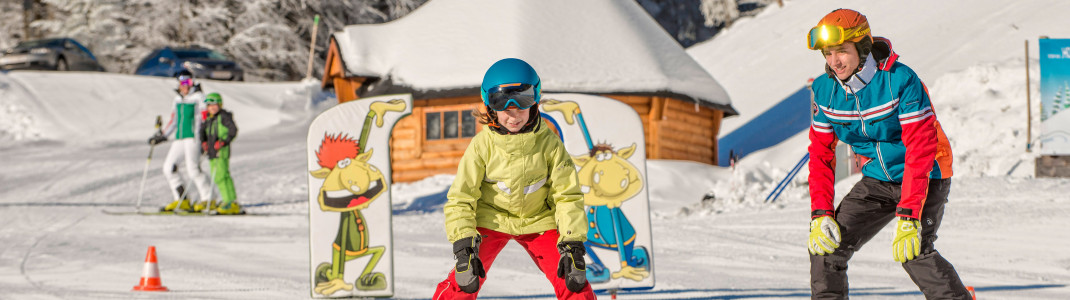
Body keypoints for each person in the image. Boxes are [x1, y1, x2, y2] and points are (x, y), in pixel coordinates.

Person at [805, 9, 971, 299]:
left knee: (914, 251)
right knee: (827, 247)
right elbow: (820, 154)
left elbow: (920, 148)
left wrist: (909, 215)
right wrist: (820, 213)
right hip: (878, 179)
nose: (834, 62)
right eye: (828, 54)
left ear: (862, 46)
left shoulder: (900, 80)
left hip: (926, 173)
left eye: (841, 51)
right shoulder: (824, 90)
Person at [432, 58, 595, 300]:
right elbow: (461, 197)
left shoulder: (549, 144)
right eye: (503, 104)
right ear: (490, 105)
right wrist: (464, 245)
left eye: (523, 102)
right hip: (492, 219)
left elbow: (567, 194)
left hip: (538, 220)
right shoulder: (482, 146)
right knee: (466, 280)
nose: (513, 114)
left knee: (573, 280)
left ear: (535, 100)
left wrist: (572, 242)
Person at [148, 70, 216, 212]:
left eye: (188, 82)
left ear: (193, 82)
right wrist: (163, 135)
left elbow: (206, 118)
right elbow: (174, 120)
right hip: (180, 137)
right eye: (182, 82)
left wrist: (207, 138)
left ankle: (208, 199)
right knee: (169, 167)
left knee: (193, 169)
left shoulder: (199, 97)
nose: (185, 85)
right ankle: (182, 200)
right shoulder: (177, 99)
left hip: (194, 137)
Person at [197, 92, 241, 215]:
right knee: (219, 176)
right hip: (211, 151)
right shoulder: (209, 118)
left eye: (215, 105)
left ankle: (230, 202)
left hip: (221, 150)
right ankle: (231, 201)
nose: (212, 107)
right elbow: (203, 132)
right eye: (209, 105)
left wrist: (223, 142)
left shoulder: (224, 116)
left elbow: (233, 130)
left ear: (220, 105)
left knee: (221, 176)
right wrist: (204, 143)